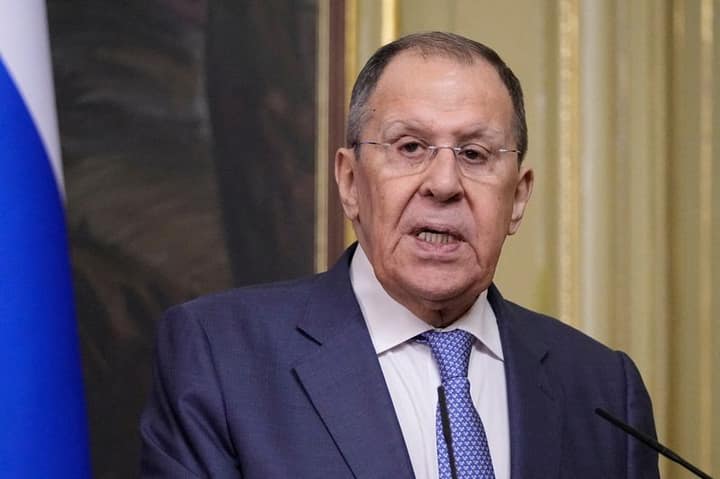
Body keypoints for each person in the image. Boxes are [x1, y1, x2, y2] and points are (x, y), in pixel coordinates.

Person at [140, 32, 659, 478]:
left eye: (474, 154)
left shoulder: (603, 388)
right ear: (350, 182)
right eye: (410, 147)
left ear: (518, 198)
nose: (444, 184)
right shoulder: (221, 357)